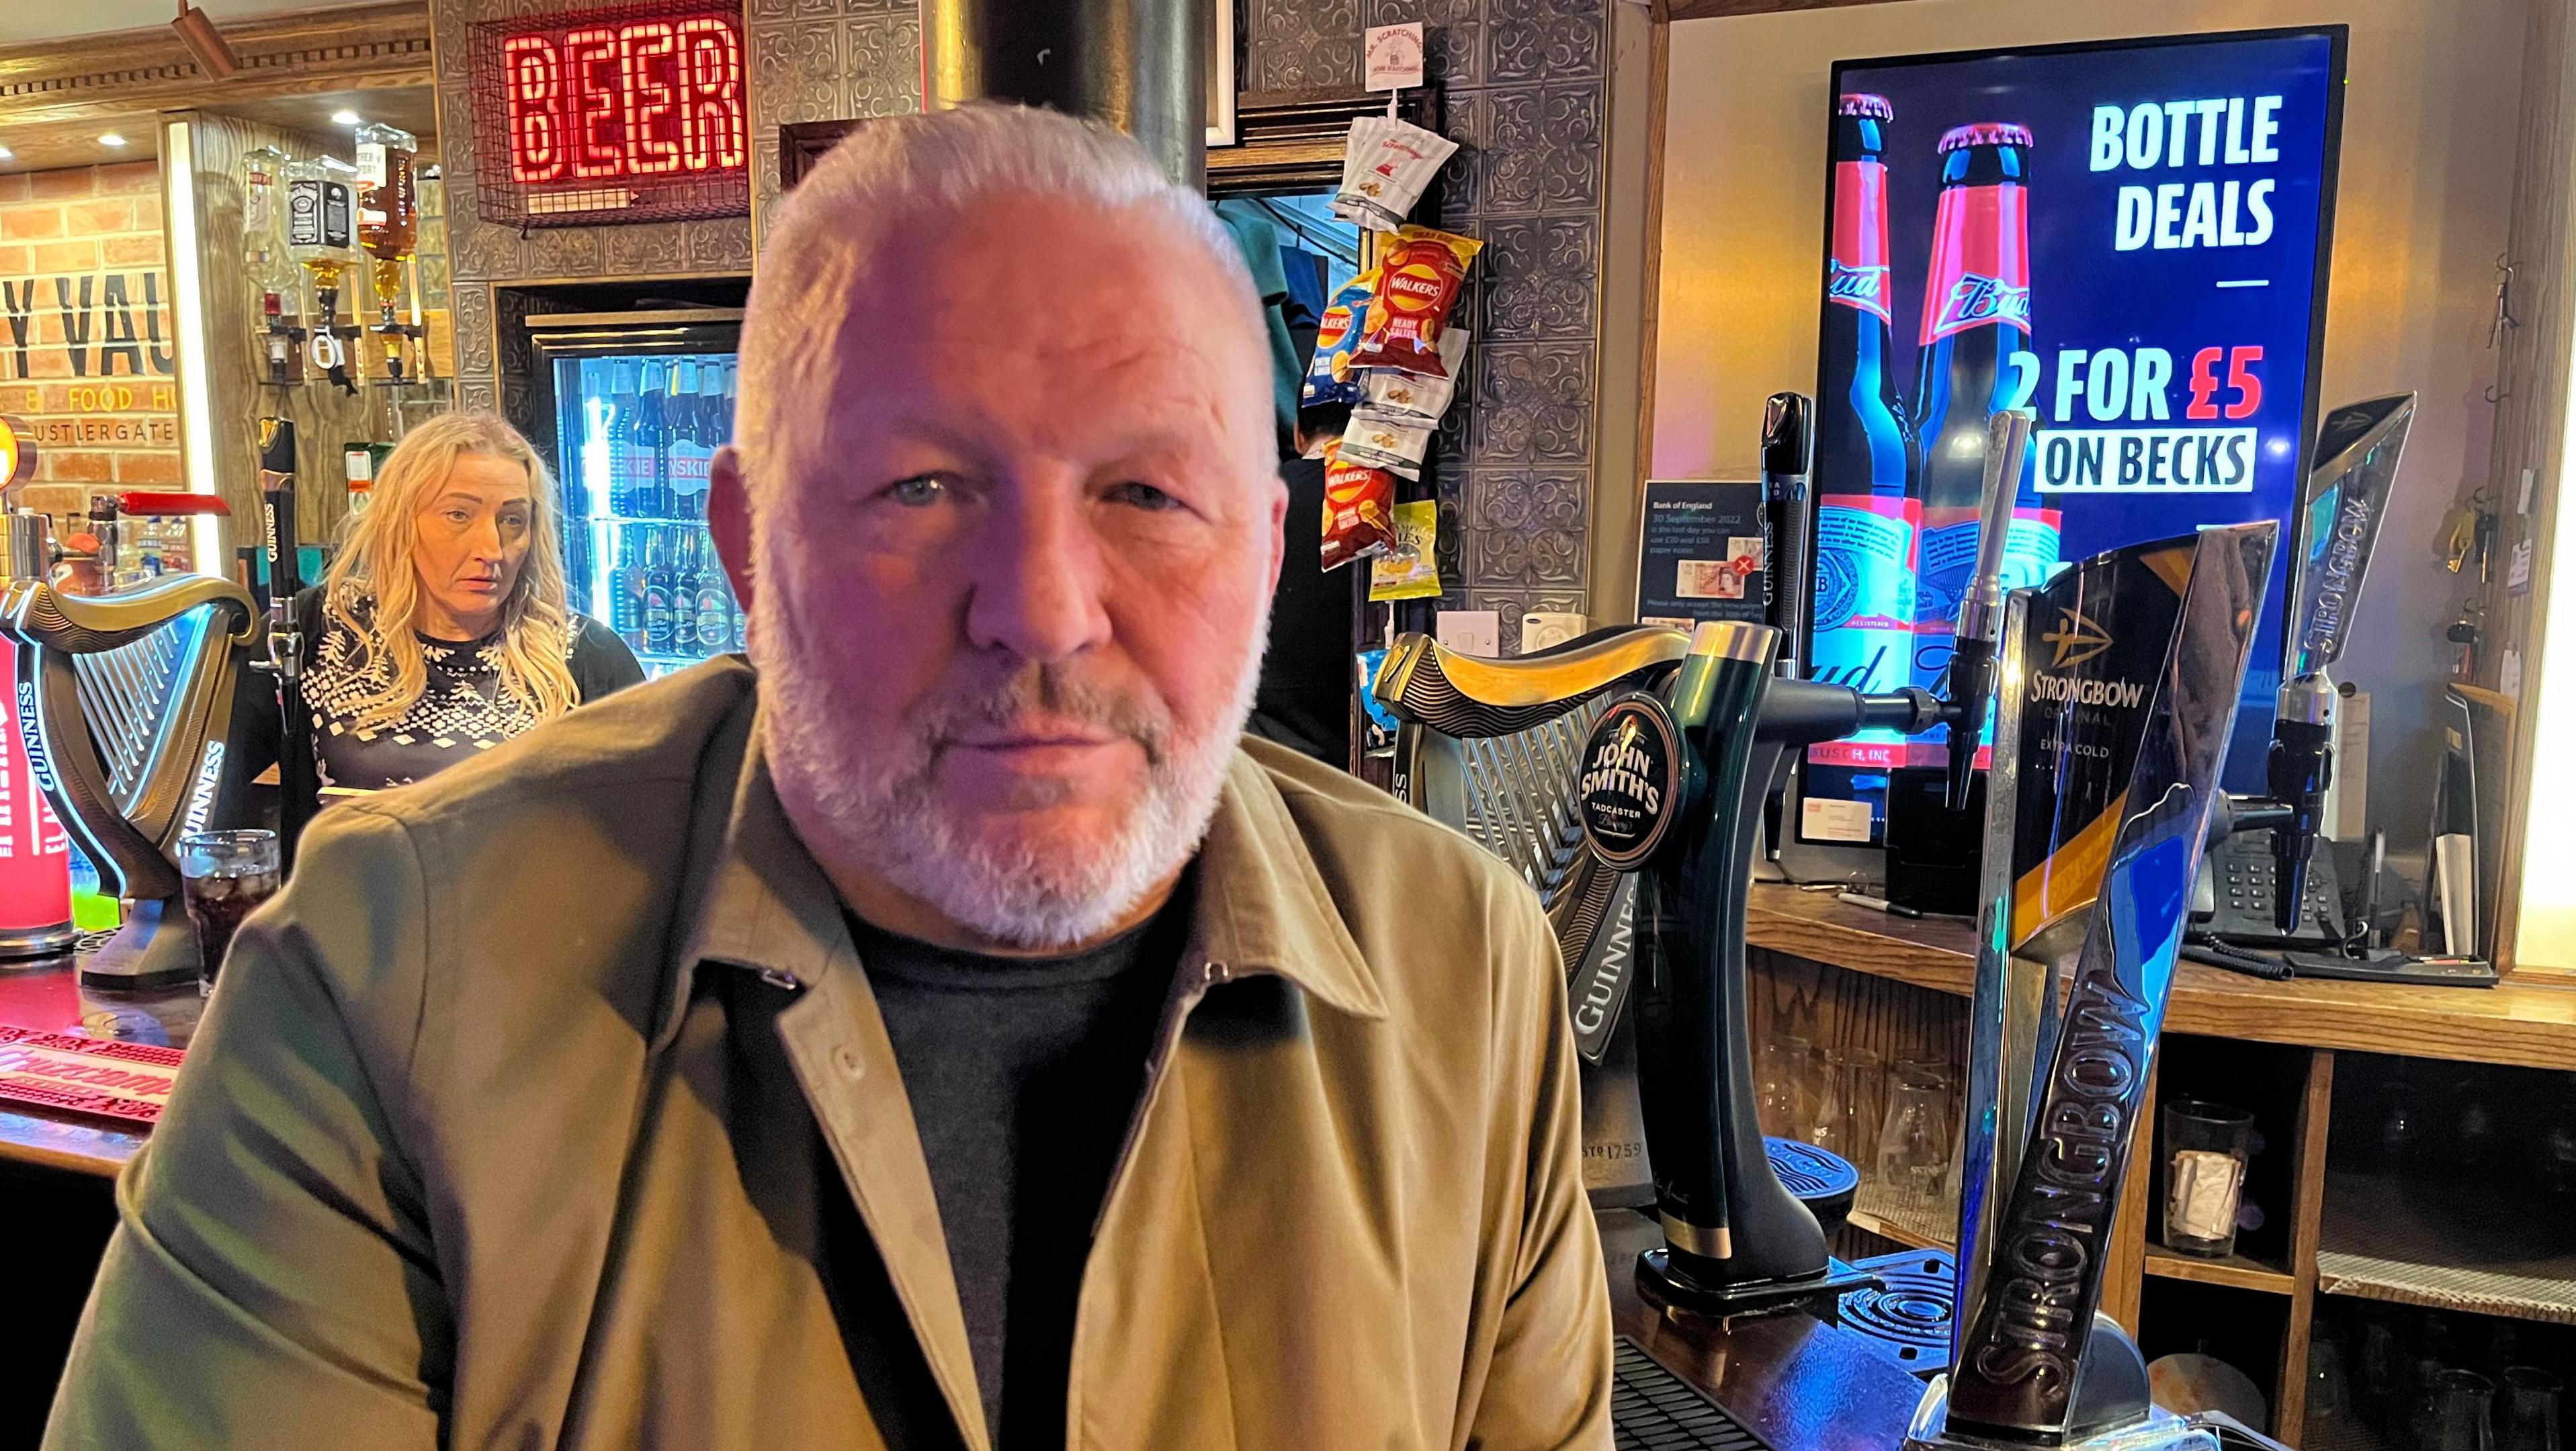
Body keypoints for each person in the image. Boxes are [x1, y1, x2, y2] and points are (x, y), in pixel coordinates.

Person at [47, 105, 1611, 1450]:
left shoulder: (1467, 979)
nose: (1044, 607)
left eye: (1146, 490)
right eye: (922, 487)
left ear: (1268, 552)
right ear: (743, 545)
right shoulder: (382, 983)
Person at [233, 410, 644, 794]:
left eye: (512, 520)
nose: (492, 549)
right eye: (458, 516)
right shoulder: (317, 630)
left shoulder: (581, 656)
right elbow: (200, 798)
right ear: (400, 522)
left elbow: (654, 824)